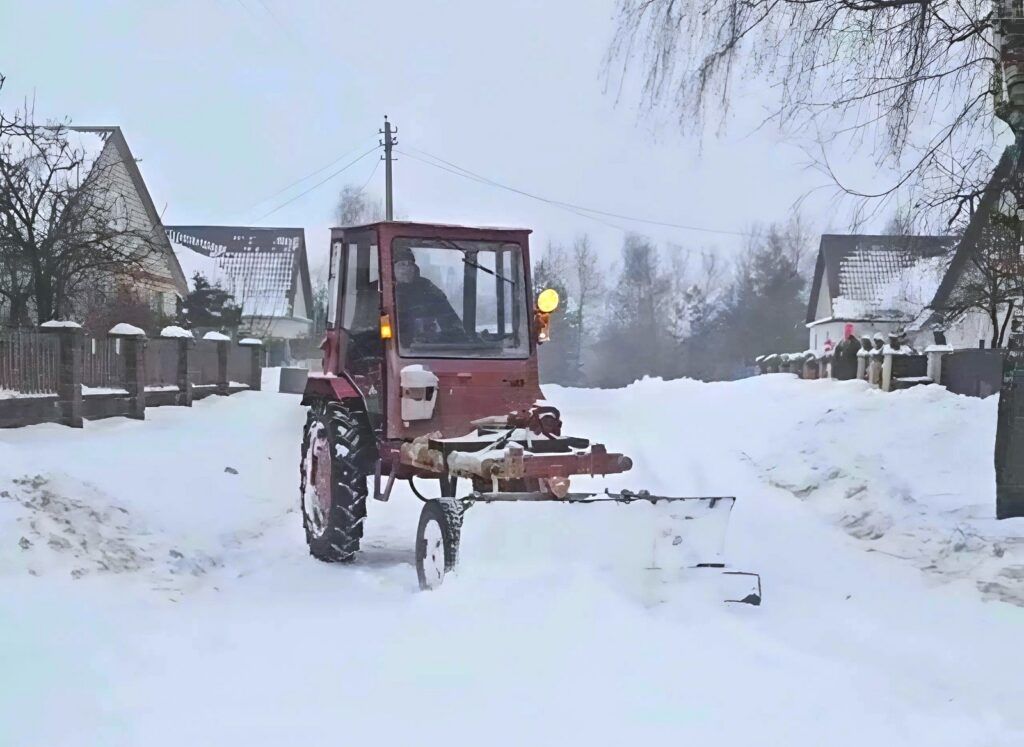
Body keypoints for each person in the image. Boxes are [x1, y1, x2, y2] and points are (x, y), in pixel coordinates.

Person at [393, 245, 467, 344]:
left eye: (410, 264)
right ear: (391, 268)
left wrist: (437, 338)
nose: (407, 269)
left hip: (424, 349)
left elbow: (450, 319)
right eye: (402, 264)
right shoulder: (378, 291)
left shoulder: (427, 288)